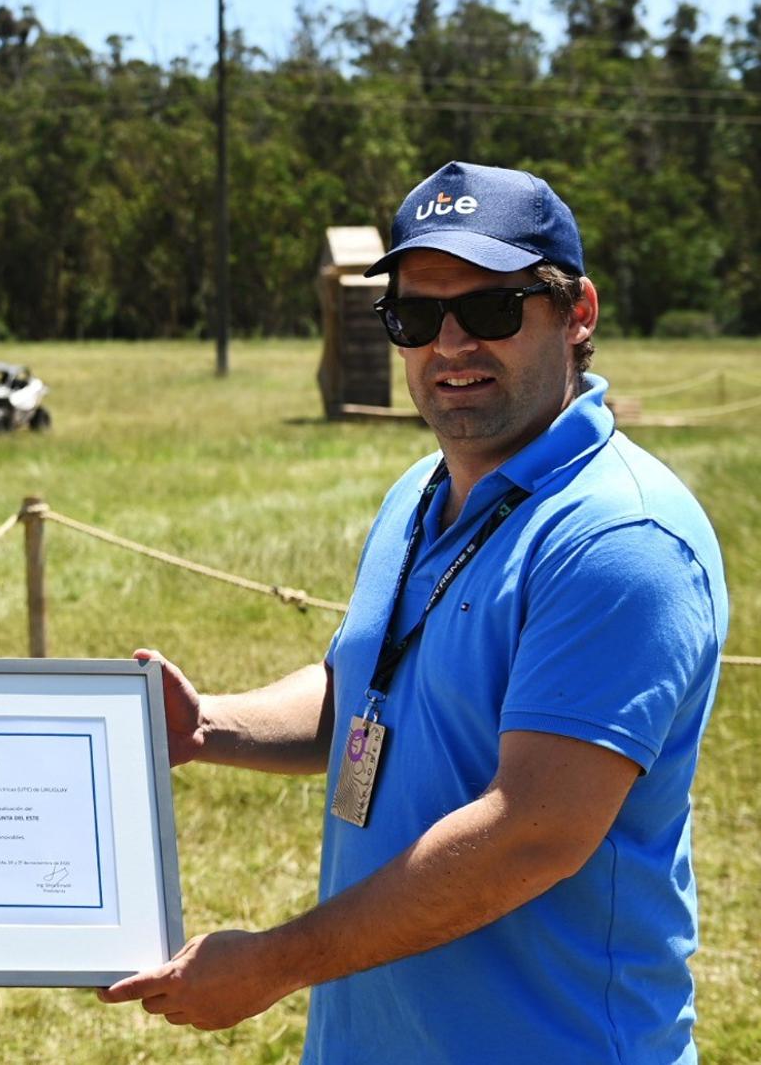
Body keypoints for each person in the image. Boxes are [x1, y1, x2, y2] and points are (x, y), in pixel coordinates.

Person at [98, 161, 728, 1062]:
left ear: (577, 313)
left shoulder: (620, 537)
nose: (450, 344)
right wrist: (206, 727)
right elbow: (367, 691)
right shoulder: (421, 491)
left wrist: (273, 962)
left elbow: (530, 833)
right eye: (415, 315)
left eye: (491, 310)